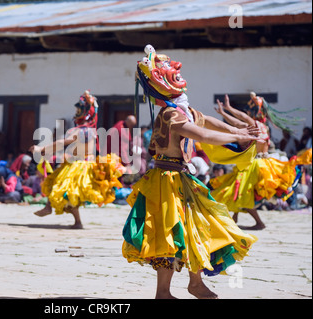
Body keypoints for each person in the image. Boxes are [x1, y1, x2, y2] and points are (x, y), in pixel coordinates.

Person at [122, 45, 258, 299]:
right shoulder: (171, 114)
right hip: (166, 181)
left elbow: (205, 121)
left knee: (196, 227)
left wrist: (235, 133)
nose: (177, 71)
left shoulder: (181, 109)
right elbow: (203, 133)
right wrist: (238, 134)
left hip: (181, 177)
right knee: (171, 234)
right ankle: (164, 291)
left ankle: (194, 283)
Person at [209, 93, 311, 229]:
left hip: (255, 165)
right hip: (262, 163)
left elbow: (240, 121)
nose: (246, 112)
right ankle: (235, 218)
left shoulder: (255, 125)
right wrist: (225, 112)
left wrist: (228, 108)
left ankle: (258, 223)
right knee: (238, 191)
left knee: (241, 193)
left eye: (249, 109)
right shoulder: (263, 127)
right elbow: (238, 123)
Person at [30, 90, 124, 229]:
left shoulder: (79, 130)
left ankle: (54, 210)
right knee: (62, 188)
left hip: (77, 166)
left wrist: (41, 149)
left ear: (84, 111)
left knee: (63, 188)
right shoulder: (91, 130)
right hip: (85, 164)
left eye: (78, 109)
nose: (76, 112)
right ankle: (73, 219)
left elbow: (62, 143)